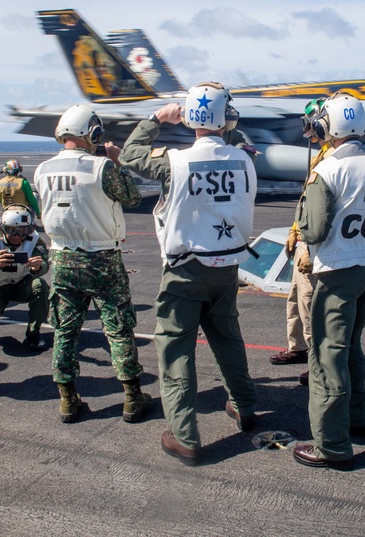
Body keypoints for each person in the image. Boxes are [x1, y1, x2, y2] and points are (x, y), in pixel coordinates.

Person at [119, 82, 258, 467]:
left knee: (176, 348)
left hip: (184, 270)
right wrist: (223, 117)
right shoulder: (245, 157)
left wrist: (157, 118)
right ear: (226, 118)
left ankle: (185, 436)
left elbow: (131, 154)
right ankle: (244, 406)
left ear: (191, 117)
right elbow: (238, 136)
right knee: (227, 337)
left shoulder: (175, 163)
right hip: (227, 266)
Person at [290, 93, 365, 471]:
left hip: (338, 271)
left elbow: (315, 229)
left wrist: (302, 223)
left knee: (326, 356)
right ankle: (356, 419)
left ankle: (332, 445)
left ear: (327, 127)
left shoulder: (328, 170)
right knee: (352, 345)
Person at [34, 103, 152, 425]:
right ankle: (132, 397)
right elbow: (131, 196)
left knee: (65, 330)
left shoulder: (42, 169)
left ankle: (68, 400)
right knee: (117, 328)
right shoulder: (101, 167)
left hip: (61, 256)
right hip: (101, 257)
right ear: (94, 134)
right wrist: (117, 161)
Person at [271, 99, 332, 369]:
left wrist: (308, 243)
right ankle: (298, 348)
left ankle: (317, 363)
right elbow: (308, 199)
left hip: (314, 243)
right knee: (295, 297)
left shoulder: (332, 159)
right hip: (303, 238)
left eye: (314, 123)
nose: (310, 130)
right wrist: (294, 230)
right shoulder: (323, 153)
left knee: (309, 301)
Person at [0, 204, 49, 351]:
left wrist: (38, 268)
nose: (17, 236)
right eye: (11, 231)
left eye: (22, 231)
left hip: (21, 283)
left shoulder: (35, 240)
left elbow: (44, 262)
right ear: (2, 228)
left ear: (30, 229)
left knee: (40, 286)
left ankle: (33, 333)